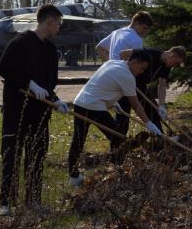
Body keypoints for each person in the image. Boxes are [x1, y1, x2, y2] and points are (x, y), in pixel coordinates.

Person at [0, 4, 68, 215]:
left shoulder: (50, 50)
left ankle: (33, 200)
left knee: (36, 157)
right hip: (17, 112)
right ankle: (6, 203)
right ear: (49, 21)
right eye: (58, 24)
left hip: (39, 114)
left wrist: (55, 100)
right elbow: (4, 69)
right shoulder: (21, 43)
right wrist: (28, 83)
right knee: (12, 156)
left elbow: (49, 84)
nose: (59, 28)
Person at [67, 50, 162, 184]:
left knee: (78, 140)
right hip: (94, 106)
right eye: (142, 68)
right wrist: (149, 123)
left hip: (80, 102)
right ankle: (117, 170)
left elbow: (101, 83)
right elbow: (136, 105)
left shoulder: (112, 63)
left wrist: (113, 102)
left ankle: (74, 176)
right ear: (135, 62)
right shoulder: (128, 76)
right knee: (118, 137)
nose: (141, 72)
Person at [96, 11, 153, 137]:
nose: (144, 32)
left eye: (147, 30)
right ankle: (118, 146)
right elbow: (137, 63)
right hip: (124, 77)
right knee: (124, 114)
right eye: (144, 28)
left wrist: (111, 63)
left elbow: (99, 48)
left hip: (111, 75)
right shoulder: (136, 40)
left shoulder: (117, 32)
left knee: (120, 114)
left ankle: (117, 145)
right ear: (136, 23)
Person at [118, 45, 186, 129]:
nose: (175, 66)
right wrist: (122, 72)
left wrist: (161, 105)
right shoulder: (150, 53)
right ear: (172, 55)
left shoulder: (166, 67)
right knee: (123, 115)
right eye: (176, 63)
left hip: (141, 86)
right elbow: (123, 53)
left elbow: (162, 85)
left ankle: (160, 137)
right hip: (126, 84)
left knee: (153, 112)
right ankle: (119, 140)